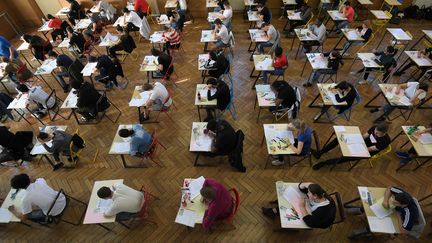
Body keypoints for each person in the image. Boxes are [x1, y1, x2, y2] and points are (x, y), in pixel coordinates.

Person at [347, 186, 419, 238]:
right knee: (373, 207)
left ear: (404, 205)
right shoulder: (401, 194)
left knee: (379, 222)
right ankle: (361, 210)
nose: (393, 203)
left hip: (400, 219)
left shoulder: (409, 213)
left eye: (396, 203)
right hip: (395, 211)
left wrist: (399, 216)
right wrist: (385, 200)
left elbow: (405, 231)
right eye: (394, 200)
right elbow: (389, 188)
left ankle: (367, 230)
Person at [312, 122, 391, 170]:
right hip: (360, 143)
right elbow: (365, 135)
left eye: (378, 133)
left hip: (366, 151)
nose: (375, 133)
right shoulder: (374, 128)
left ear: (384, 133)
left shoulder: (385, 141)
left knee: (346, 156)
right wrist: (355, 140)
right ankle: (321, 152)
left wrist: (353, 147)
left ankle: (325, 163)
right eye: (375, 131)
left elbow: (369, 149)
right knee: (339, 138)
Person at [262, 183, 336, 228]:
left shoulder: (322, 211)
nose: (307, 193)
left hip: (319, 221)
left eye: (309, 193)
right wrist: (306, 184)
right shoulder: (321, 193)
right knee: (292, 203)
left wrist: (302, 207)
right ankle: (273, 211)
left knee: (292, 208)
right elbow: (301, 187)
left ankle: (272, 212)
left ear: (315, 196)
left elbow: (310, 223)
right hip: (312, 210)